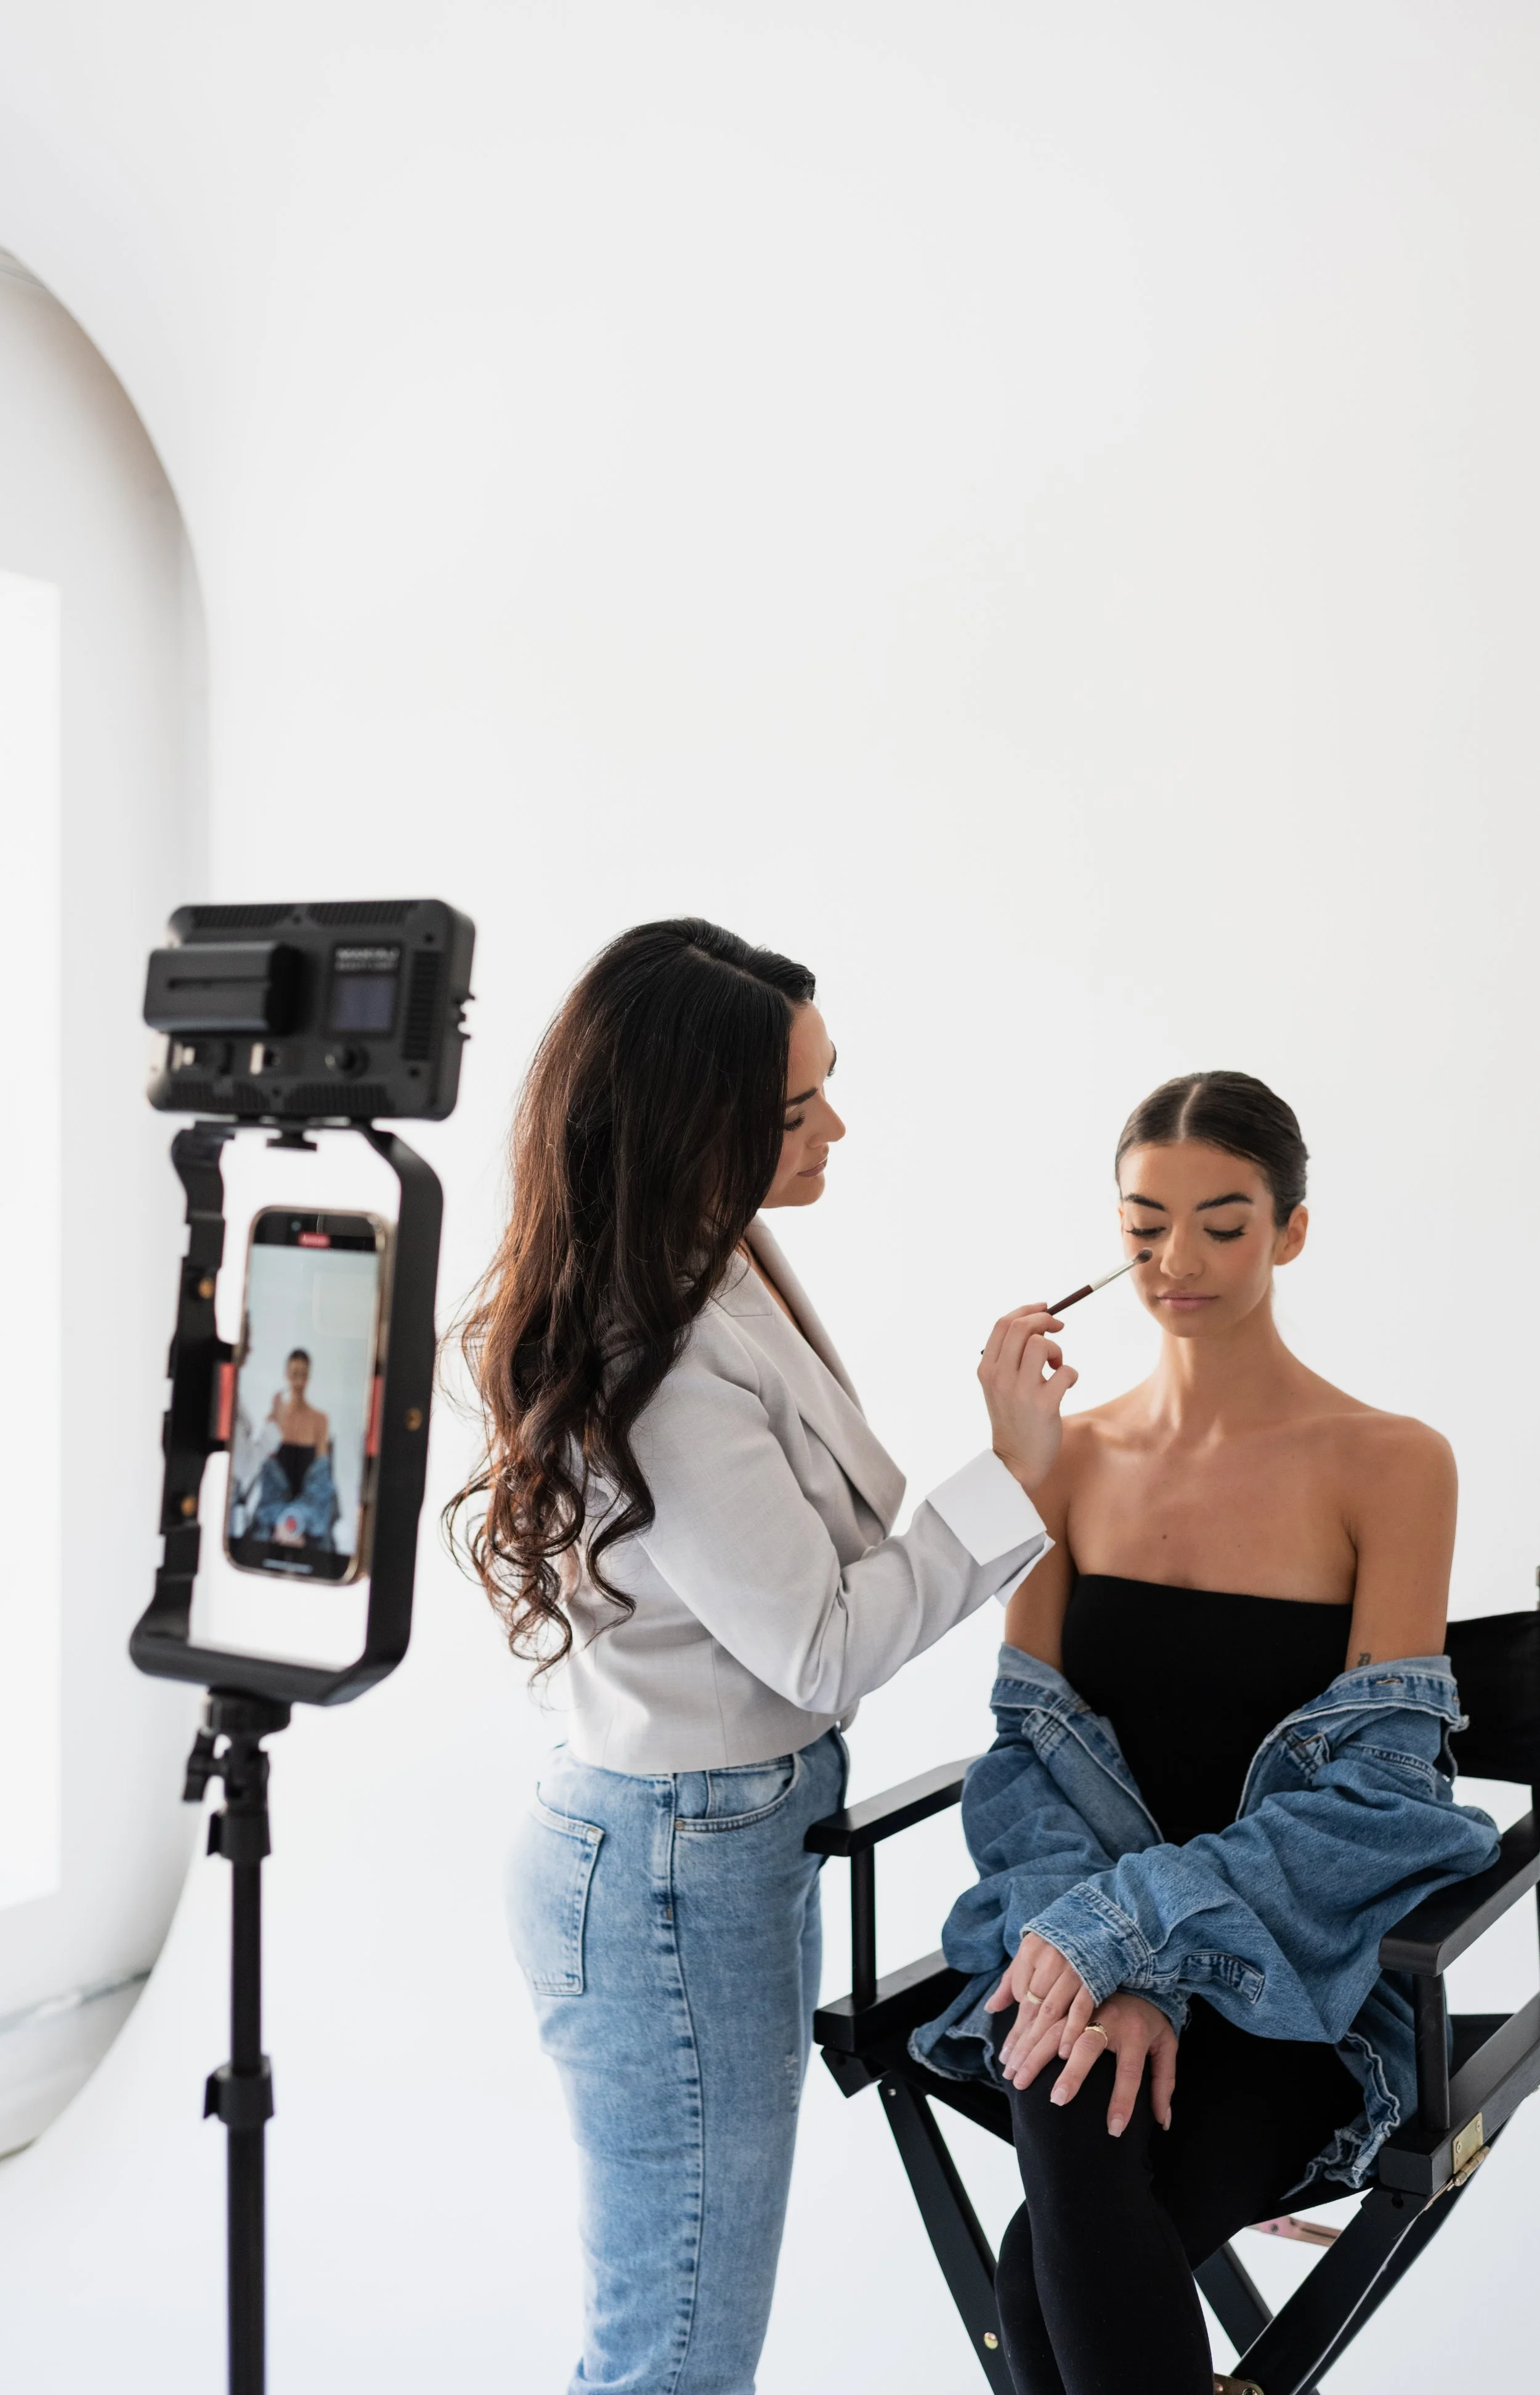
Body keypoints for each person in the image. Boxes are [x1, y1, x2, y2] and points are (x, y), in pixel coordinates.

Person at [452, 919, 1077, 2395]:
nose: (835, 1127)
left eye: (824, 1086)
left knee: (676, 2329)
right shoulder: (650, 1349)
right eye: (797, 1109)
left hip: (701, 1845)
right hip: (676, 1871)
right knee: (674, 2353)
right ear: (692, 1122)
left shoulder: (700, 1241)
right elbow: (816, 1644)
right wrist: (1007, 1473)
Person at [914, 1070, 1500, 2395]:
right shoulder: (1057, 1459)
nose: (1176, 1261)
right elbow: (1020, 1772)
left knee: (1035, 2273)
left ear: (1290, 1230)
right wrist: (1104, 1955)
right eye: (1140, 1227)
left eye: (1222, 1225)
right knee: (1062, 2109)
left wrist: (1138, 1932)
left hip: (1299, 1996)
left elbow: (1380, 1795)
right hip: (1078, 1965)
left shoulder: (1391, 1462)